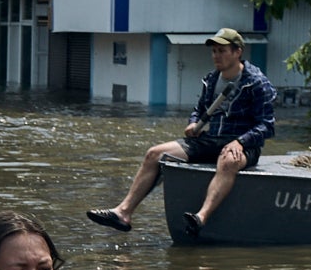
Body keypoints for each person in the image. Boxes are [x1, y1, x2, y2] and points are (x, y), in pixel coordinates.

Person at [88, 28, 271, 235]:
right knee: (154, 154)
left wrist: (241, 142)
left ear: (237, 52)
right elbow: (199, 110)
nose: (216, 56)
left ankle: (200, 217)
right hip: (211, 139)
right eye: (214, 51)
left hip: (243, 146)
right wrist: (193, 124)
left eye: (222, 51)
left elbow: (266, 125)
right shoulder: (212, 80)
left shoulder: (256, 82)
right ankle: (123, 212)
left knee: (227, 161)